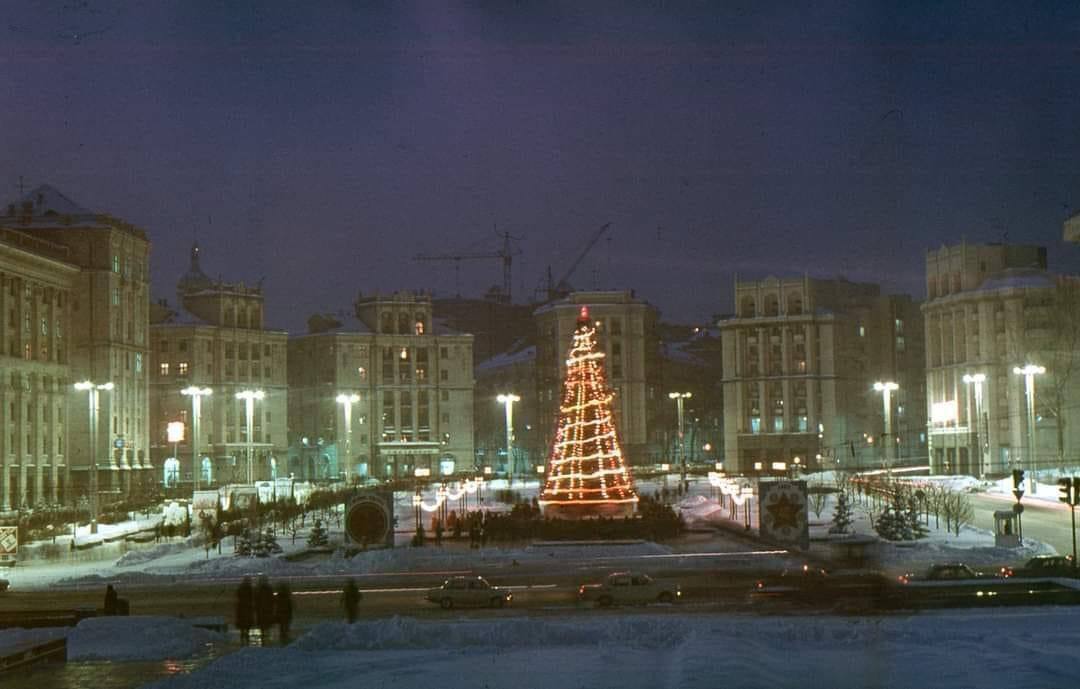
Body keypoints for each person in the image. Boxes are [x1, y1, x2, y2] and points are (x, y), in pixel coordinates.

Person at [255, 576, 276, 645]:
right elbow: (272, 600)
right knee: (266, 624)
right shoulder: (268, 589)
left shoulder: (258, 589)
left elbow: (256, 600)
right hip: (267, 610)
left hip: (261, 610)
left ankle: (263, 636)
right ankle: (266, 636)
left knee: (262, 625)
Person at [236, 577, 254, 646]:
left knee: (243, 627)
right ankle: (246, 640)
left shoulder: (241, 589)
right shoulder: (250, 589)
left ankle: (243, 640)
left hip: (242, 610)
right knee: (246, 627)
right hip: (247, 610)